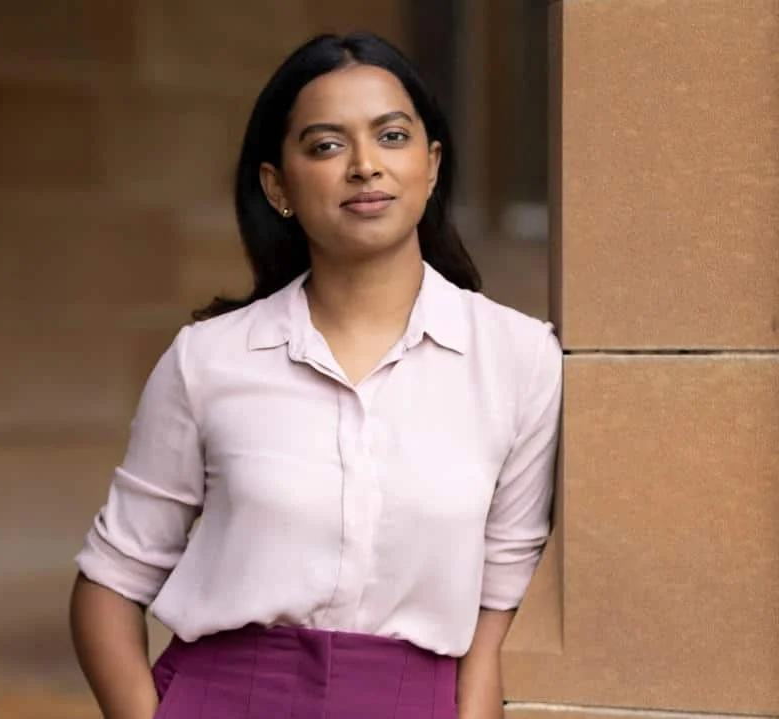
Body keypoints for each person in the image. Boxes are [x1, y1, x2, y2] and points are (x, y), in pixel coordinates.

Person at [69, 31, 563, 719]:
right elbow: (110, 581)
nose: (365, 166)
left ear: (433, 164)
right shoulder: (208, 358)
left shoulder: (520, 359)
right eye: (327, 146)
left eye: (392, 136)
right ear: (278, 186)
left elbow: (498, 604)